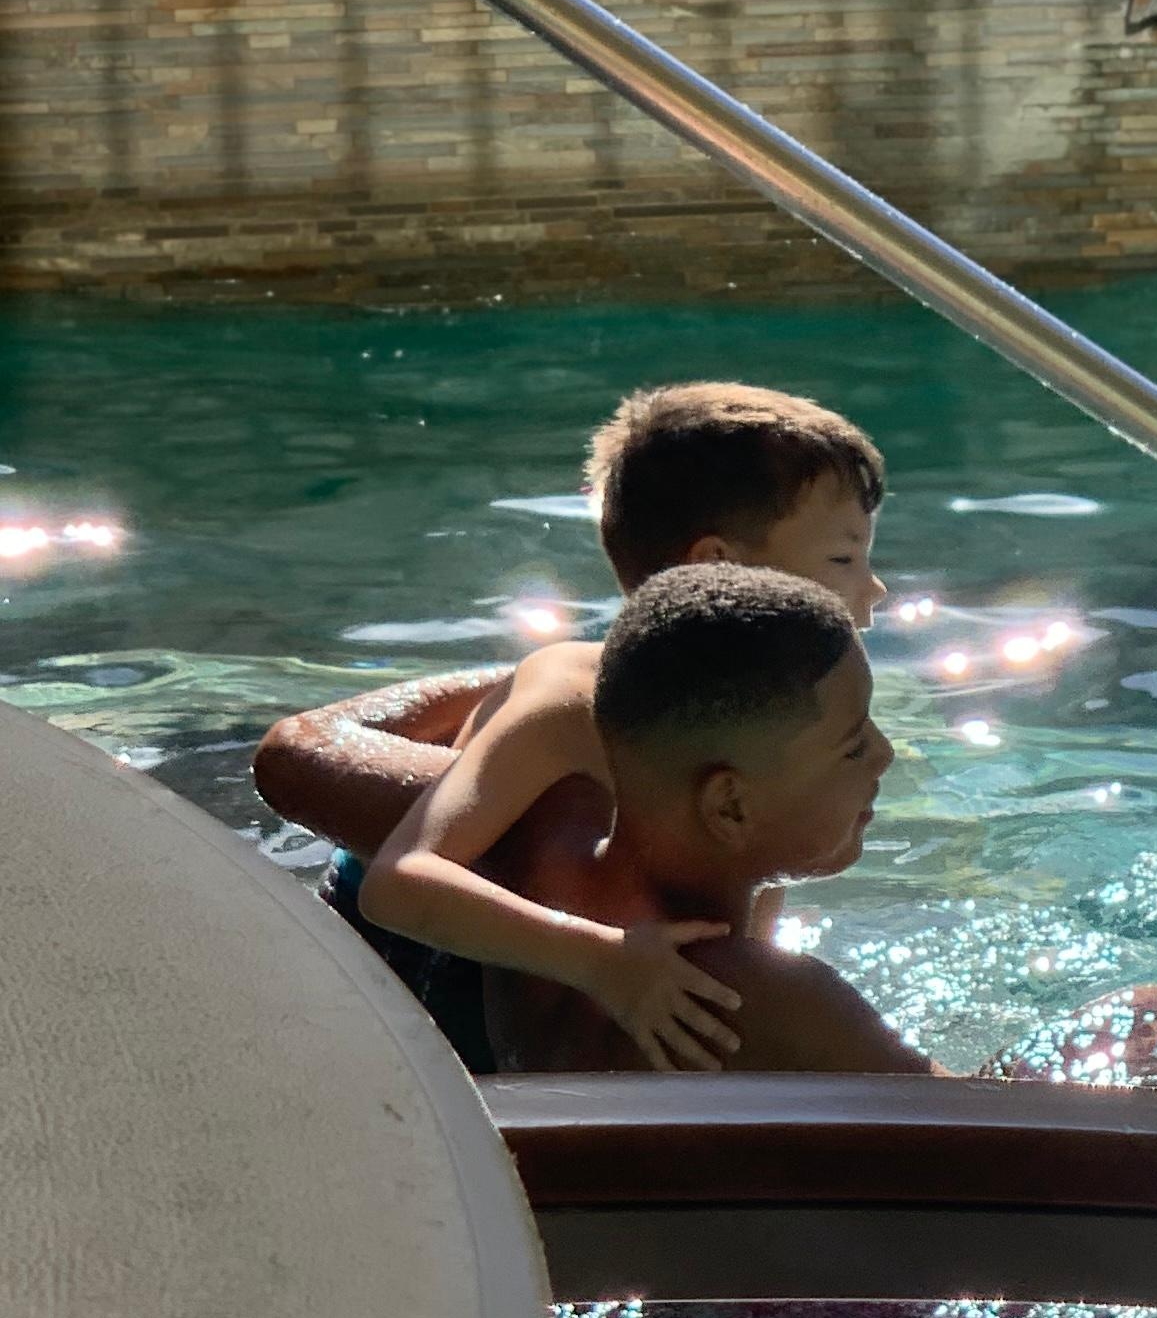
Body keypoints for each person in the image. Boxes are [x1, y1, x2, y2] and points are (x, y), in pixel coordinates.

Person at [438, 560, 1157, 1136]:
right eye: (851, 744)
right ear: (732, 807)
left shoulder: (548, 871)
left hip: (817, 1198)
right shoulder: (751, 992)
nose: (887, 757)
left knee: (1149, 1013)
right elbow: (989, 1152)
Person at [251, 378, 885, 1071]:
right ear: (716, 566)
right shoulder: (568, 702)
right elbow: (402, 881)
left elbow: (746, 891)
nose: (875, 588)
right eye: (843, 559)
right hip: (430, 957)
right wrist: (603, 960)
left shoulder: (772, 725)